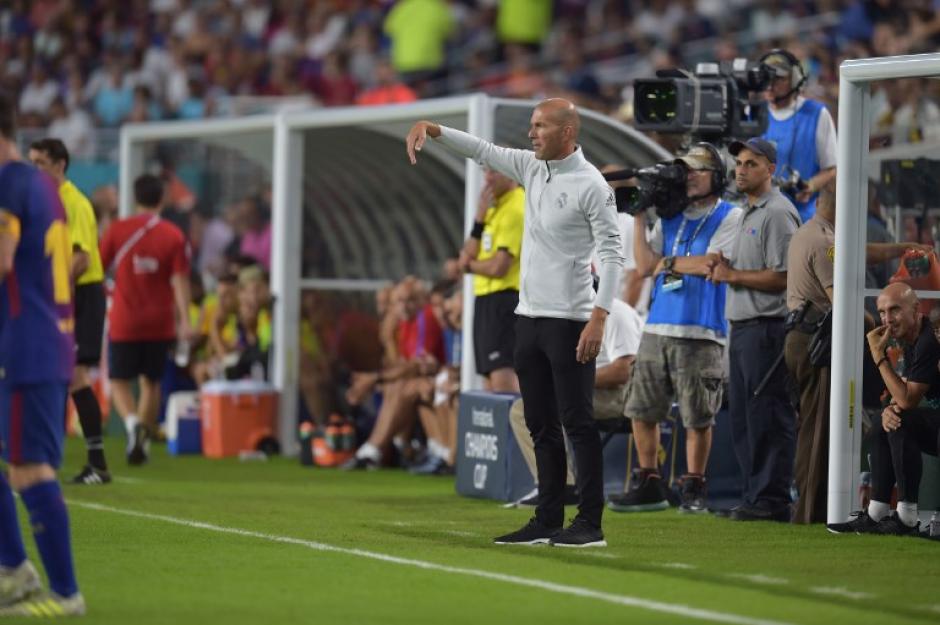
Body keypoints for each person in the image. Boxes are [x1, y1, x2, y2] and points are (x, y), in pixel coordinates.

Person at [407, 98, 624, 548]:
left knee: (577, 422)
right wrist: (434, 129)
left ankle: (590, 523)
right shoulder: (531, 167)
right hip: (527, 319)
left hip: (570, 321)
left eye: (541, 126)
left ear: (567, 132)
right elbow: (483, 150)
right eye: (531, 125)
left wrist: (598, 318)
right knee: (540, 423)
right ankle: (547, 519)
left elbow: (612, 254)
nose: (531, 133)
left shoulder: (592, 184)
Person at [610, 143, 741, 515]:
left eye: (698, 170)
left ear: (717, 176)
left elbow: (710, 265)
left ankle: (694, 486)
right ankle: (648, 481)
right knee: (642, 409)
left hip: (702, 329)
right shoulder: (670, 216)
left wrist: (667, 263)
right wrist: (638, 216)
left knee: (698, 415)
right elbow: (643, 264)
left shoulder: (731, 215)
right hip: (657, 325)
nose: (690, 177)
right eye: (686, 170)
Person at [0, 95, 86, 616]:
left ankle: (64, 593)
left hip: (26, 345)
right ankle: (14, 568)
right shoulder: (43, 187)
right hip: (38, 339)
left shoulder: (10, 182)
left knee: (30, 469)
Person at [708, 138, 800, 522]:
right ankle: (754, 495)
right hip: (744, 325)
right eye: (739, 163)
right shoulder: (748, 211)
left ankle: (772, 499)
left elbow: (784, 277)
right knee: (747, 417)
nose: (741, 170)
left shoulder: (777, 212)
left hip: (767, 327)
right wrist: (724, 265)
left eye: (751, 163)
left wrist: (733, 275)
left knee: (768, 414)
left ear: (771, 169)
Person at [28, 138, 110, 485]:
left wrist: (51, 290)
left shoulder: (75, 203)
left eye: (42, 163)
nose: (36, 170)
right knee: (58, 374)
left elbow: (81, 259)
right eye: (32, 163)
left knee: (74, 375)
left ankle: (98, 464)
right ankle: (51, 453)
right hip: (62, 295)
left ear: (60, 165)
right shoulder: (46, 201)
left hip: (82, 294)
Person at [828, 283, 940, 536]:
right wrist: (891, 407)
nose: (887, 319)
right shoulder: (912, 339)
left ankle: (907, 517)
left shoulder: (928, 340)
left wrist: (878, 355)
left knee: (901, 416)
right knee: (886, 420)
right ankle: (877, 512)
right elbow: (903, 393)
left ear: (916, 309)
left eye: (895, 310)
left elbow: (909, 400)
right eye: (882, 312)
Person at [509, 295, 643, 505]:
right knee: (525, 408)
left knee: (555, 404)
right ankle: (557, 485)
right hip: (593, 391)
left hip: (625, 395)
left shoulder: (616, 312)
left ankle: (565, 488)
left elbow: (624, 371)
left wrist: (570, 382)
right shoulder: (568, 315)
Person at [99, 174, 192, 465]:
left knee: (118, 381)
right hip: (160, 321)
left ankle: (132, 424)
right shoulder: (174, 235)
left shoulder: (117, 230)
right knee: (152, 382)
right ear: (161, 199)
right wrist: (186, 320)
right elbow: (180, 282)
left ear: (135, 197)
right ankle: (144, 441)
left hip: (125, 318)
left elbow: (96, 268)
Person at [458, 167, 524, 393]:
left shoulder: (516, 207)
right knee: (489, 377)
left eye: (494, 171)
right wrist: (478, 219)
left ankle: (516, 428)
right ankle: (499, 428)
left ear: (511, 173)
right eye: (486, 172)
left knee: (502, 374)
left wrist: (469, 266)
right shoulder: (494, 207)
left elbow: (499, 267)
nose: (487, 178)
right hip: (486, 299)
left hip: (505, 299)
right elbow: (467, 253)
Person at [760, 48, 837, 223]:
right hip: (762, 216)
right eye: (766, 78)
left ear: (795, 78)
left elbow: (832, 169)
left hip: (803, 216)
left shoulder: (816, 113)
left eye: (778, 78)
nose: (770, 84)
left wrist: (810, 186)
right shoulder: (753, 113)